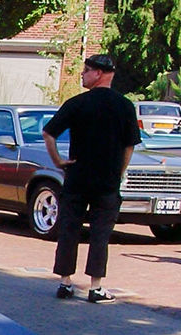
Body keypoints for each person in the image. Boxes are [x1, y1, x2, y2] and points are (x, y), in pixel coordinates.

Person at [43, 54, 141, 304]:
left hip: (77, 176)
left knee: (69, 228)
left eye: (86, 71)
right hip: (107, 179)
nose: (82, 75)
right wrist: (120, 170)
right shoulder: (125, 106)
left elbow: (48, 132)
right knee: (101, 233)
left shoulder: (77, 103)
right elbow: (129, 145)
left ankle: (65, 282)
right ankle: (96, 287)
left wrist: (58, 161)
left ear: (99, 74)